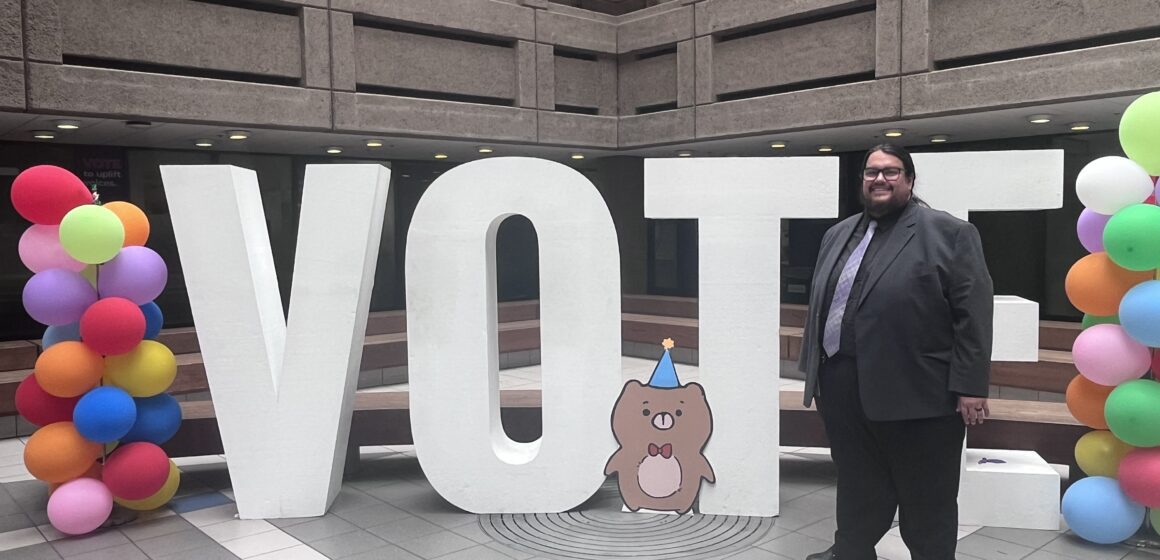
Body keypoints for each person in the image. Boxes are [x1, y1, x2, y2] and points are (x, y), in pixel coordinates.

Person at [799, 144, 993, 560]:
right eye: (871, 172)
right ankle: (851, 552)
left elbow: (972, 315)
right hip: (844, 386)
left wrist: (971, 387)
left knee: (926, 498)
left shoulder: (950, 234)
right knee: (856, 483)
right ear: (862, 180)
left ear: (909, 179)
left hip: (920, 393)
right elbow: (821, 306)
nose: (880, 179)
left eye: (891, 171)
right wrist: (816, 375)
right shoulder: (838, 234)